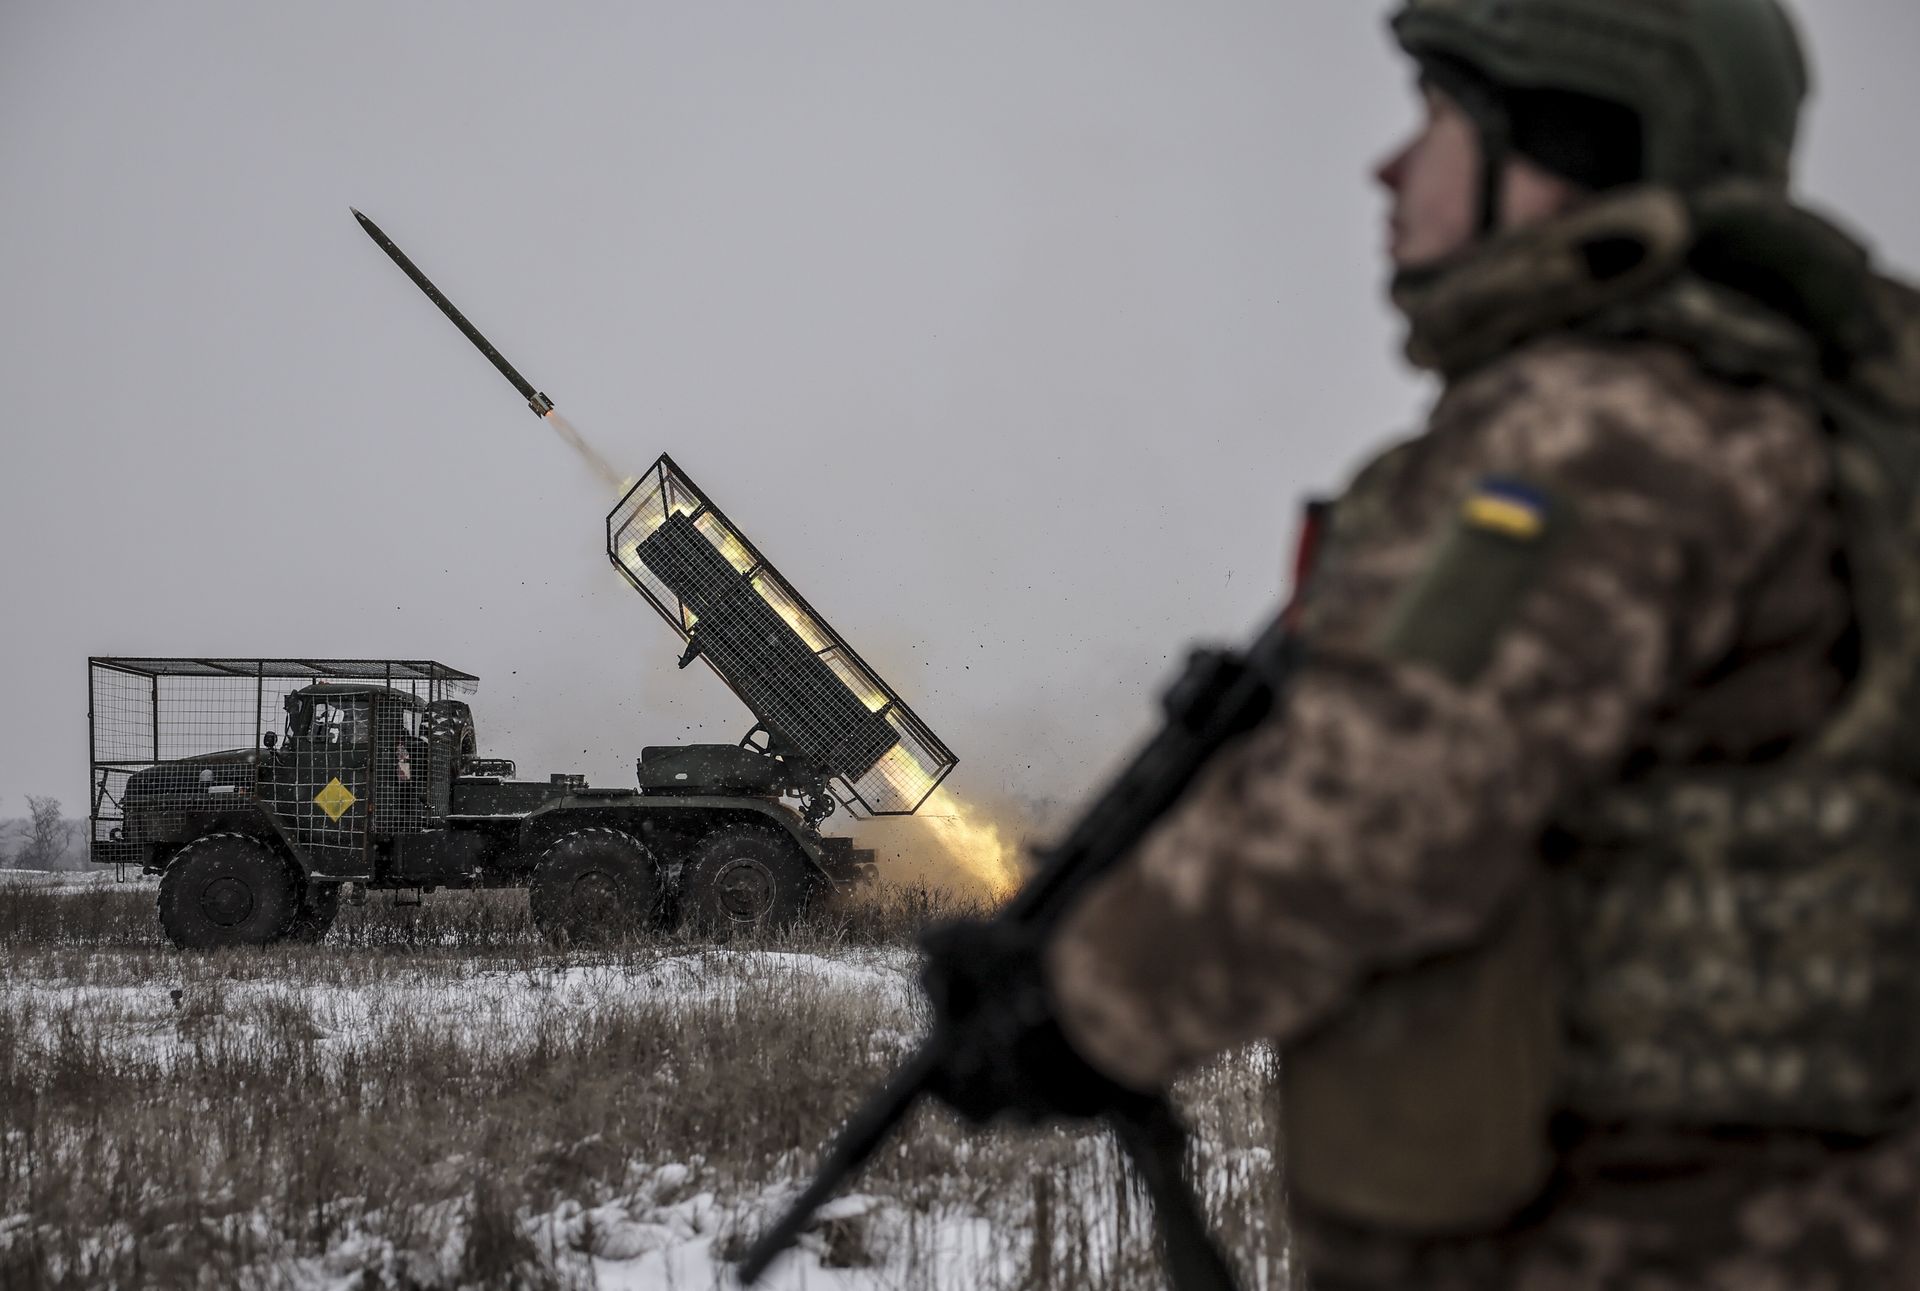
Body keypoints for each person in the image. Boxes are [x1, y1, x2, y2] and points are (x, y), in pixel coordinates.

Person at [925, 0, 1920, 1286]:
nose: (1387, 166)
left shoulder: (1601, 431)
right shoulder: (1807, 412)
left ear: (1564, 145)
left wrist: (1084, 1004)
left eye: (1440, 116)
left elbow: (1382, 801)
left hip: (1630, 1232)